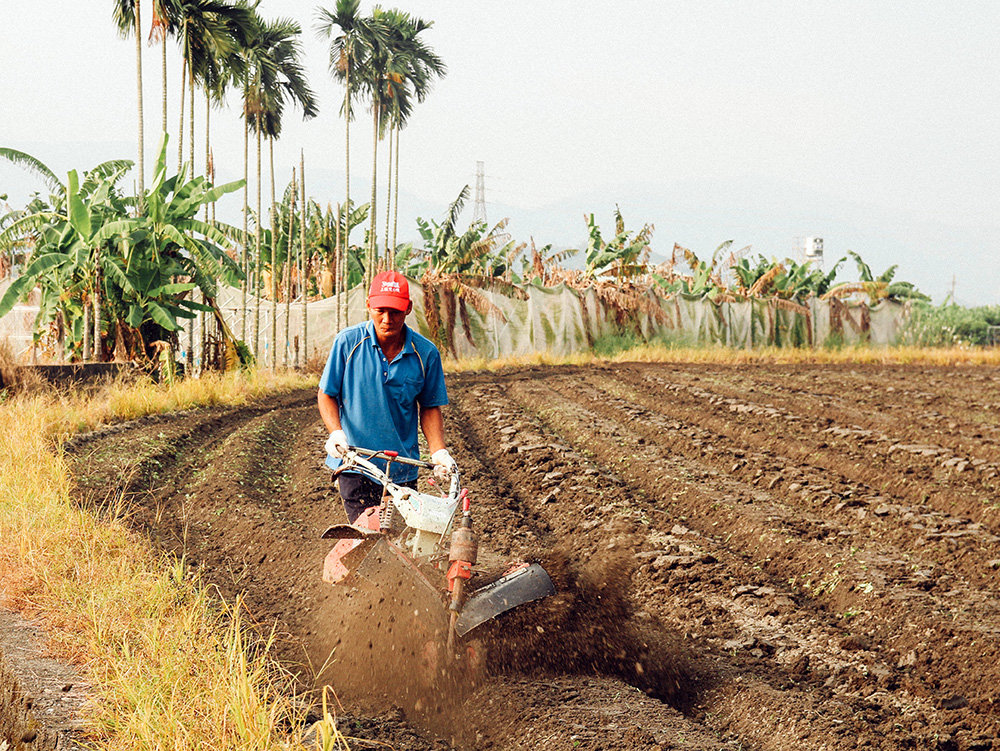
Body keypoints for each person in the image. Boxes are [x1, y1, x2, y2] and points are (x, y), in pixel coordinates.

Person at [317, 270, 456, 524]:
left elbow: (429, 407)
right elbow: (327, 394)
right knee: (368, 533)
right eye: (380, 310)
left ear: (409, 309)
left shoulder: (426, 354)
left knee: (400, 540)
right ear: (368, 305)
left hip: (402, 468)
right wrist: (335, 432)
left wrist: (438, 451)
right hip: (355, 462)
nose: (387, 319)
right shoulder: (348, 343)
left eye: (395, 312)